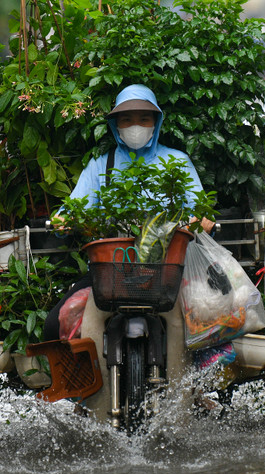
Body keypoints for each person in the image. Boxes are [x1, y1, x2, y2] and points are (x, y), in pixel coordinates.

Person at [43, 84, 211, 341]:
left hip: (168, 274)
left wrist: (200, 221)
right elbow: (75, 207)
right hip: (109, 273)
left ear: (156, 122)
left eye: (144, 119)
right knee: (54, 325)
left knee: (206, 320)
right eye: (127, 119)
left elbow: (200, 210)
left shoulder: (177, 161)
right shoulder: (102, 165)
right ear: (116, 125)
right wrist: (63, 220)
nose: (136, 126)